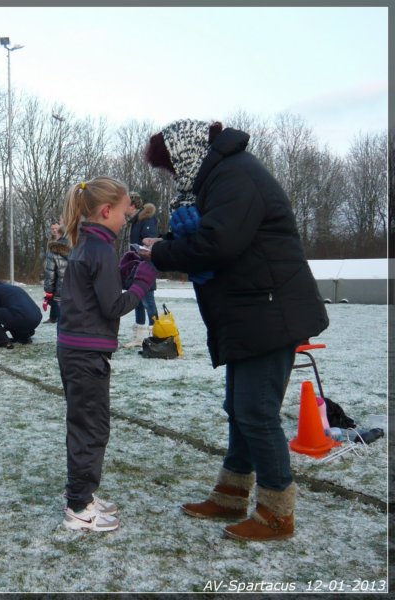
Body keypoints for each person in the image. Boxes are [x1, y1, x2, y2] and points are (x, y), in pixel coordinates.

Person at [142, 119, 329, 541]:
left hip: (269, 310)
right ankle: (231, 494)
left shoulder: (235, 175)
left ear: (186, 152)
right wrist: (169, 245)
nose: (172, 175)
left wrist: (163, 252)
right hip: (250, 311)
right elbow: (211, 236)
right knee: (239, 408)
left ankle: (277, 512)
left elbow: (219, 243)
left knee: (256, 412)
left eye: (170, 165)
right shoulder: (218, 177)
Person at [56, 176, 157, 532]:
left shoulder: (90, 245)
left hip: (78, 351)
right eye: (126, 207)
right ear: (106, 210)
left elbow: (101, 288)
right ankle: (79, 506)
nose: (128, 214)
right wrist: (144, 277)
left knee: (88, 425)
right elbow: (114, 304)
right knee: (91, 428)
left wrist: (127, 266)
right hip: (85, 355)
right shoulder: (97, 249)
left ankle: (82, 493)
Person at [122, 192, 159, 348]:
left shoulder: (147, 219)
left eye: (126, 206)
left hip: (146, 267)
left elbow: (151, 244)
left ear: (133, 206)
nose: (123, 210)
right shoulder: (135, 221)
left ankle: (157, 337)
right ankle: (139, 337)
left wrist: (146, 242)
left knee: (148, 301)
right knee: (137, 300)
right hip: (135, 266)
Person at [0, 281, 43, 348]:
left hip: (20, 317)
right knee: (11, 312)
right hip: (36, 317)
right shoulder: (13, 288)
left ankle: (2, 341)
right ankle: (23, 337)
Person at [42, 220, 70, 324]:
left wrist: (48, 291)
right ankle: (53, 317)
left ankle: (56, 318)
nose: (54, 230)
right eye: (52, 229)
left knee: (55, 296)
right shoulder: (50, 241)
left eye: (56, 228)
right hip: (55, 269)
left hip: (59, 273)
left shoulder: (62, 244)